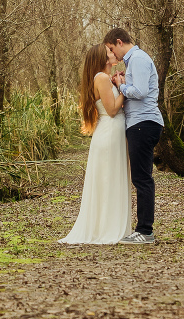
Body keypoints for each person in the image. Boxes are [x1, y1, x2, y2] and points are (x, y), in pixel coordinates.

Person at [59, 43, 132, 244]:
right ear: (102, 58)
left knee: (111, 178)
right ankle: (108, 228)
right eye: (109, 52)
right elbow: (112, 110)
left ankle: (111, 225)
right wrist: (125, 88)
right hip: (109, 132)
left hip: (113, 132)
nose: (113, 53)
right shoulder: (100, 78)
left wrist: (118, 85)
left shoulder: (104, 79)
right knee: (109, 179)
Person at [103, 27, 164, 244]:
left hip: (143, 124)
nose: (113, 54)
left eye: (111, 48)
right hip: (142, 124)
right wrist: (123, 83)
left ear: (119, 42)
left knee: (142, 178)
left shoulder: (137, 58)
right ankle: (144, 230)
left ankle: (145, 231)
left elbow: (139, 92)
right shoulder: (134, 60)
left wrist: (121, 86)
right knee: (142, 177)